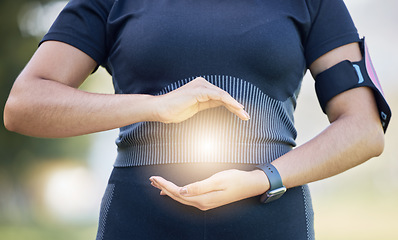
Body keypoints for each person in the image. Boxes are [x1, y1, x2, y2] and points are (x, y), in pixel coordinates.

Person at [3, 0, 391, 239]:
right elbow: (24, 104)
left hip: (270, 220)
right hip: (140, 220)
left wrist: (263, 178)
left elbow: (364, 128)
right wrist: (154, 106)